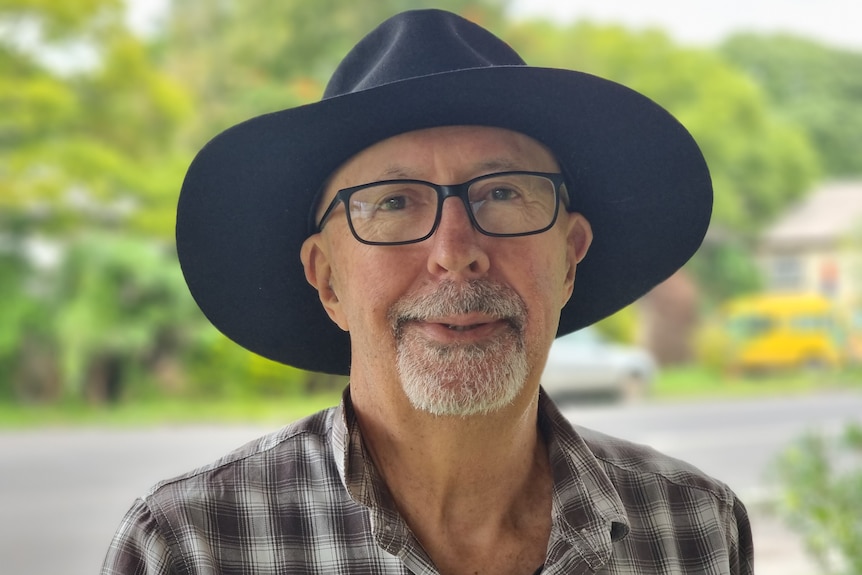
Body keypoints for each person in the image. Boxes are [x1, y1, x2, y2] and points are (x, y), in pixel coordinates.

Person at [101, 9, 753, 575]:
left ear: (569, 259)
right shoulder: (193, 546)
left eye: (502, 192)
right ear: (328, 278)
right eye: (392, 202)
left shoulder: (693, 528)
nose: (455, 252)